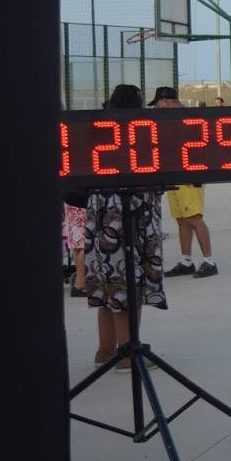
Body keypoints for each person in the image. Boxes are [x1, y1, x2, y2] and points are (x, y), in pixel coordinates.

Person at [85, 84, 168, 371]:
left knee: (108, 283)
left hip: (101, 217)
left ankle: (105, 350)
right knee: (128, 285)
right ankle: (128, 352)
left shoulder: (96, 130)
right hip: (131, 218)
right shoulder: (142, 132)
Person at [148, 86, 218, 278]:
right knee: (182, 221)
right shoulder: (167, 120)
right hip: (174, 175)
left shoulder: (190, 118)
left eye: (157, 103)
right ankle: (186, 261)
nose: (156, 108)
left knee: (195, 218)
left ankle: (210, 261)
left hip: (190, 176)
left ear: (167, 101)